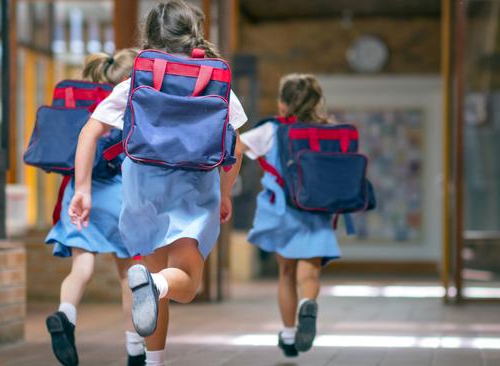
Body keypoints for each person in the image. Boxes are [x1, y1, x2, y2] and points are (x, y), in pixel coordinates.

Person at [68, 2, 247, 366]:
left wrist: (82, 189)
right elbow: (237, 144)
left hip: (142, 189)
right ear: (193, 33)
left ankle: (154, 360)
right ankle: (158, 287)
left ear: (150, 35)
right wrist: (226, 192)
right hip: (193, 190)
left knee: (150, 278)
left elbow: (91, 131)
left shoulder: (137, 79)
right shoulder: (214, 80)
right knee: (183, 282)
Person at [44, 49, 147, 366]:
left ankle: (66, 315)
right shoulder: (126, 101)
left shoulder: (84, 103)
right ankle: (134, 351)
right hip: (118, 195)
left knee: (82, 269)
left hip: (80, 191)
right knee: (128, 275)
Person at [239, 74, 341, 358]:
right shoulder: (329, 130)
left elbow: (234, 148)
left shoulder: (271, 129)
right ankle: (308, 302)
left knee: (286, 272)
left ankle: (288, 334)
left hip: (282, 210)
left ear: (283, 105)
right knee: (309, 271)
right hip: (318, 211)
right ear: (316, 102)